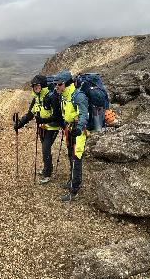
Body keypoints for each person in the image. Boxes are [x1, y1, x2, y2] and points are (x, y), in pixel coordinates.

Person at [14, 74, 63, 184]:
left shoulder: (52, 97)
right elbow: (30, 115)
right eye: (34, 87)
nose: (36, 89)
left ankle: (47, 174)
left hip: (52, 127)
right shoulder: (36, 99)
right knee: (45, 150)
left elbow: (57, 116)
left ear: (43, 86)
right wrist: (19, 124)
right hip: (42, 128)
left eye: (38, 87)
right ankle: (46, 169)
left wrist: (43, 120)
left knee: (45, 149)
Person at [54, 70, 88, 202]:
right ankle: (72, 181)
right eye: (56, 84)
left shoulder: (78, 96)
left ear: (66, 84)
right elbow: (67, 113)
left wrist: (79, 128)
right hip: (69, 130)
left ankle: (74, 190)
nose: (57, 86)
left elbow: (84, 114)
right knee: (70, 156)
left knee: (76, 158)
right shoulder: (65, 96)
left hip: (79, 132)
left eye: (59, 84)